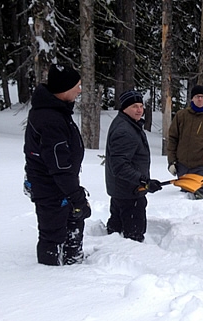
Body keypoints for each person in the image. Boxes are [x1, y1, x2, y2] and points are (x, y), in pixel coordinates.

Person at [24, 63, 91, 266]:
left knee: (72, 223)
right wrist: (76, 196)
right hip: (51, 188)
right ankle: (51, 277)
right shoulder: (51, 118)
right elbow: (59, 166)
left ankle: (72, 259)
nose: (80, 90)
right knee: (53, 235)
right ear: (64, 89)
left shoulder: (55, 111)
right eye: (77, 86)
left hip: (58, 185)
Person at [105, 90, 162, 242]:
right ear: (124, 108)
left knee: (115, 233)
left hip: (124, 190)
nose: (139, 110)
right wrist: (143, 181)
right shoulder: (124, 130)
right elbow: (119, 166)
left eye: (141, 106)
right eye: (134, 106)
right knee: (133, 239)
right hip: (129, 193)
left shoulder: (129, 124)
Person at [166, 85, 203, 200]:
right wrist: (171, 162)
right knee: (183, 197)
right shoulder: (181, 115)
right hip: (182, 166)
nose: (200, 99)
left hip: (201, 166)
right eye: (197, 96)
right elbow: (172, 139)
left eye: (202, 96)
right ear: (192, 98)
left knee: (201, 197)